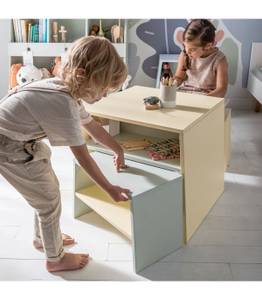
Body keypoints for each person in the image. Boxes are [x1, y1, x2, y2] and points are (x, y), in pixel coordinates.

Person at [0, 36, 131, 272]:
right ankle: (55, 258)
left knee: (47, 193)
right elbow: (83, 156)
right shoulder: (63, 103)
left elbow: (92, 126)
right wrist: (109, 188)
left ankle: (43, 238)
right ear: (82, 76)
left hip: (18, 141)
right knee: (48, 201)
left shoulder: (64, 89)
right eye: (103, 88)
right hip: (8, 147)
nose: (103, 96)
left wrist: (117, 148)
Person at [174, 19, 228, 97]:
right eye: (185, 46)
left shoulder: (219, 60)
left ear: (208, 46)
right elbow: (179, 77)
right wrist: (173, 83)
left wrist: (205, 99)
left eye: (192, 49)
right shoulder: (185, 54)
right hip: (186, 94)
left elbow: (222, 89)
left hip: (208, 96)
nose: (187, 51)